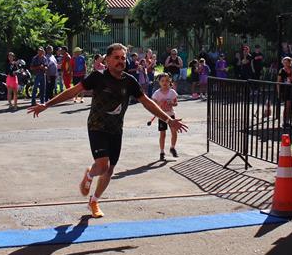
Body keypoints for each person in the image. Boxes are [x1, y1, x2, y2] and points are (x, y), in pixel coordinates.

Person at [28, 43, 188, 218]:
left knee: (109, 170)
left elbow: (147, 102)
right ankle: (90, 175)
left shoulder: (130, 81)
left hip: (116, 129)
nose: (121, 61)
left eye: (123, 58)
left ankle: (94, 201)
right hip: (97, 126)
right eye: (116, 57)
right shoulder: (97, 77)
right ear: (108, 59)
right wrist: (47, 104)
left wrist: (168, 119)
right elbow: (74, 90)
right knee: (103, 165)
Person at [151, 73, 179, 161]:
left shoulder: (172, 92)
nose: (165, 83)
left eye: (167, 81)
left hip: (171, 115)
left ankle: (172, 147)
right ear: (159, 82)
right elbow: (153, 105)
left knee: (174, 132)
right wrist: (160, 104)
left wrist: (171, 103)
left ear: (170, 81)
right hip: (162, 116)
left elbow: (176, 103)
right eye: (162, 81)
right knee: (162, 134)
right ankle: (162, 152)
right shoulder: (157, 94)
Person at [277, 56, 292, 126]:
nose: (285, 64)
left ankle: (288, 121)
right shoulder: (281, 70)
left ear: (290, 63)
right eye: (284, 62)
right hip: (284, 90)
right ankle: (285, 121)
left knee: (290, 106)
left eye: (287, 62)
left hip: (291, 89)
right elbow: (278, 82)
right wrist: (279, 92)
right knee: (287, 106)